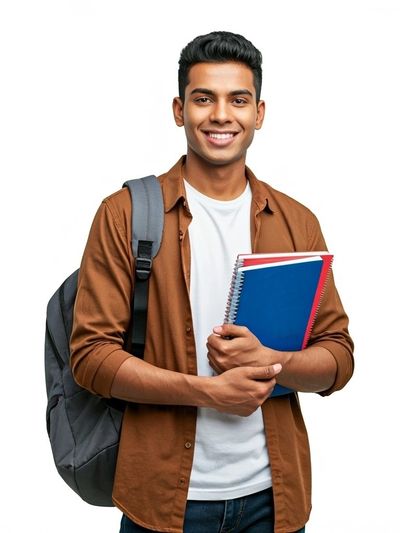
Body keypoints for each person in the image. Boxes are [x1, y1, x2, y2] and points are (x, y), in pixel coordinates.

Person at [70, 31, 354, 533]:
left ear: (259, 113)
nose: (221, 114)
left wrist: (277, 362)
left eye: (238, 100)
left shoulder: (296, 221)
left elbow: (338, 358)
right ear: (179, 110)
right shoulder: (126, 215)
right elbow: (91, 359)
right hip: (162, 500)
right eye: (204, 99)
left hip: (275, 499)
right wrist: (208, 391)